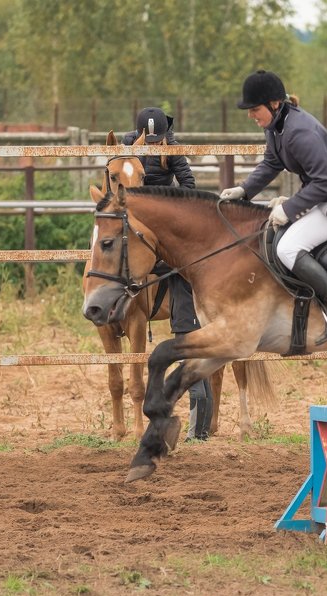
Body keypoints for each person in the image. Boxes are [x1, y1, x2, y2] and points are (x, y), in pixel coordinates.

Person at [219, 70, 327, 344]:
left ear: (274, 104)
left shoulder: (299, 132)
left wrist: (290, 208)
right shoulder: (276, 126)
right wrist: (245, 189)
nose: (250, 115)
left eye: (254, 109)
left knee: (288, 248)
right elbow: (272, 163)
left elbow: (325, 181)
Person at [124, 107, 211, 441]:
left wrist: (164, 203)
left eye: (158, 140)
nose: (155, 145)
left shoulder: (172, 149)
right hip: (136, 220)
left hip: (164, 221)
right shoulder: (129, 145)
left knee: (180, 265)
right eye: (150, 140)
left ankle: (185, 317)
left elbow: (189, 183)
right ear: (139, 136)